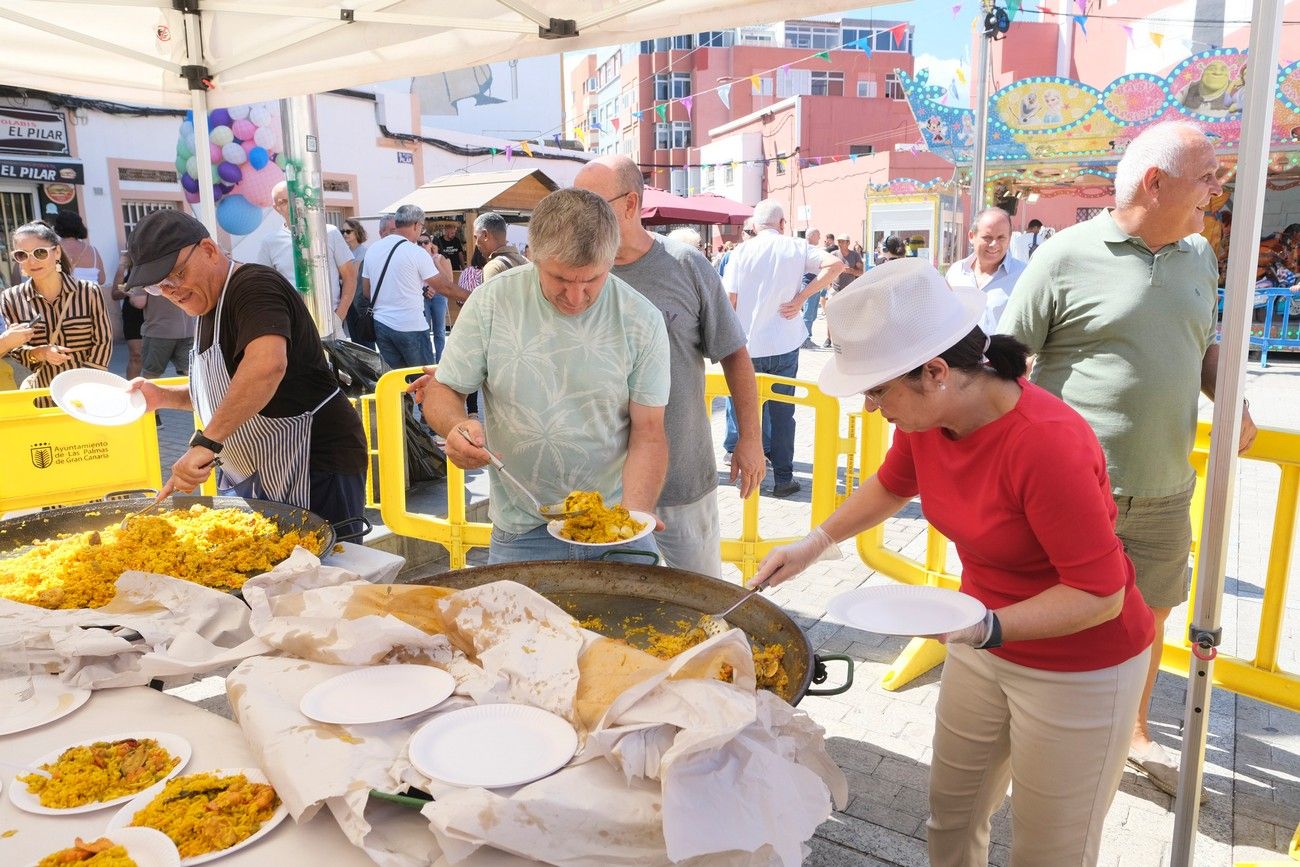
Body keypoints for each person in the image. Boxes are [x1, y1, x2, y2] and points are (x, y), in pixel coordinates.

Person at [754, 259, 1154, 866]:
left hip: (1080, 664)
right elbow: (892, 485)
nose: (870, 407)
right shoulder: (930, 417)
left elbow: (1100, 594)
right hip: (982, 642)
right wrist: (813, 545)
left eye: (877, 390)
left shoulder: (1045, 443)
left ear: (935, 372)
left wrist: (988, 627)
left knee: (1052, 847)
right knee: (952, 816)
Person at [998, 121, 1257, 800]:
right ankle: (1039, 732)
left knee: (1148, 619)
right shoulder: (1065, 255)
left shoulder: (1200, 254)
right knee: (1055, 614)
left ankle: (1133, 731)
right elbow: (1006, 361)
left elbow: (1201, 344)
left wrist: (1232, 399)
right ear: (1156, 181)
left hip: (1167, 488)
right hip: (1075, 492)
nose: (1217, 187)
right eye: (1208, 174)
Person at [413, 188, 670, 563]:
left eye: (593, 280)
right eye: (561, 278)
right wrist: (454, 427)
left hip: (615, 520)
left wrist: (633, 518)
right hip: (522, 530)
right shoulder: (492, 302)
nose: (576, 296)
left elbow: (649, 433)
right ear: (533, 255)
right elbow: (445, 388)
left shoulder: (641, 319)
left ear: (611, 262)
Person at [122, 210, 368, 540]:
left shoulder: (254, 286)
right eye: (159, 286)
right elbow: (227, 389)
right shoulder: (206, 306)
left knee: (327, 580)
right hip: (257, 472)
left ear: (208, 250)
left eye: (177, 274)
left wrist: (206, 443)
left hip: (313, 464)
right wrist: (164, 396)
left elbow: (267, 367)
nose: (172, 290)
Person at [574, 155, 763, 576]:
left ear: (630, 204)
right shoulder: (573, 274)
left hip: (681, 478)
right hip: (599, 485)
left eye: (593, 204)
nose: (580, 217)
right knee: (619, 606)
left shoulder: (685, 265)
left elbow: (734, 354)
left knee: (700, 599)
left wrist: (750, 439)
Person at [721, 200, 843, 498]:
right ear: (782, 223)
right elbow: (836, 265)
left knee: (748, 413)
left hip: (747, 347)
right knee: (783, 413)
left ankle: (753, 476)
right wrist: (802, 298)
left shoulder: (740, 252)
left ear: (754, 225)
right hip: (785, 342)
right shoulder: (795, 247)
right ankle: (784, 478)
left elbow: (730, 300)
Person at [0, 221, 112, 390]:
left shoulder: (88, 291)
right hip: (42, 393)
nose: (32, 261)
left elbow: (103, 342)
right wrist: (39, 353)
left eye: (40, 252)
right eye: (22, 255)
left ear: (57, 252)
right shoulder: (11, 298)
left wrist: (86, 383)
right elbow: (15, 349)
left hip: (88, 390)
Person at [360, 204, 462, 370]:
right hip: (411, 327)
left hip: (381, 327)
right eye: (421, 226)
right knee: (424, 383)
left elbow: (366, 291)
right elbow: (445, 288)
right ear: (416, 225)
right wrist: (474, 295)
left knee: (397, 384)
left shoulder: (373, 250)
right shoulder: (416, 252)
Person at [253, 181, 357, 335]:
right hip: (294, 326)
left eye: (294, 198)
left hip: (330, 324)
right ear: (276, 208)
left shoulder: (330, 232)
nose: (291, 205)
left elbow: (350, 276)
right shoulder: (270, 242)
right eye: (283, 202)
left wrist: (338, 316)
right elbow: (264, 286)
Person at [946, 208, 1026, 336]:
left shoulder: (1024, 276)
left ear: (1010, 238)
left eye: (1001, 238)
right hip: (958, 355)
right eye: (987, 237)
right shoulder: (956, 272)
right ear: (971, 236)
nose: (994, 244)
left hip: (1001, 356)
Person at [140, 292, 194, 380]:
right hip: (186, 330)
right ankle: (194, 393)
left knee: (151, 375)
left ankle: (147, 393)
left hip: (158, 331)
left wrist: (131, 293)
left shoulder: (143, 277)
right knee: (190, 373)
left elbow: (138, 302)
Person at [110, 250, 146, 379]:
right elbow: (115, 294)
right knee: (136, 356)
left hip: (152, 315)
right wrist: (122, 266)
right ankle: (131, 389)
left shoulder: (150, 268)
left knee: (153, 359)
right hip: (132, 316)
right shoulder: (127, 273)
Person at [341, 217, 374, 348]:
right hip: (349, 302)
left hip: (361, 304)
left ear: (357, 232)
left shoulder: (364, 252)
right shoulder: (345, 252)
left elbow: (351, 275)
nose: (344, 234)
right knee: (355, 344)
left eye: (348, 231)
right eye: (342, 231)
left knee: (366, 344)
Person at [416, 231, 448, 362]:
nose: (423, 245)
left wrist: (435, 260)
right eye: (419, 243)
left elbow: (448, 279)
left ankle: (440, 361)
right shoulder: (415, 258)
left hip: (439, 296)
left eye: (426, 242)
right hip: (422, 296)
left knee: (439, 331)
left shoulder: (438, 257)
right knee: (425, 330)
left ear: (431, 244)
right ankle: (429, 360)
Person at [52, 212, 105, 286]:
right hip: (90, 296)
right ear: (80, 227)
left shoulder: (53, 250)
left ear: (58, 227)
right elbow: (101, 280)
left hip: (65, 296)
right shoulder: (93, 251)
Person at [473, 212, 528, 283]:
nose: (476, 243)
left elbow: (490, 294)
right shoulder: (526, 261)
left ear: (485, 235)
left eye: (476, 237)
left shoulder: (494, 267)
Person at [799, 228, 823, 350]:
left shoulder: (807, 249)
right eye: (818, 235)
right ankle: (804, 340)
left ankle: (807, 338)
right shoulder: (806, 249)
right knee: (808, 314)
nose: (820, 238)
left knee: (812, 314)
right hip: (809, 284)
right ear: (812, 235)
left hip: (815, 283)